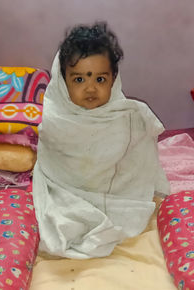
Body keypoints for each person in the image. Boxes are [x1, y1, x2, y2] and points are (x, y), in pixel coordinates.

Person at [32, 22, 170, 259]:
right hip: (66, 189)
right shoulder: (56, 120)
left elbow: (139, 160)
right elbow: (52, 159)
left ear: (113, 80)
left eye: (100, 79)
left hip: (118, 196)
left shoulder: (125, 118)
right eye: (79, 80)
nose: (90, 89)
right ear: (63, 82)